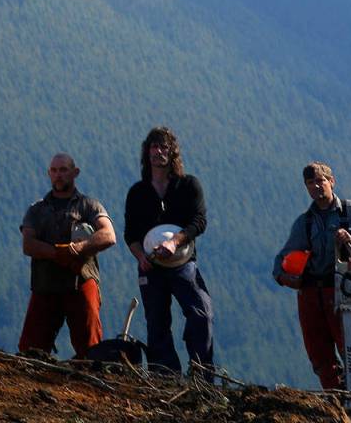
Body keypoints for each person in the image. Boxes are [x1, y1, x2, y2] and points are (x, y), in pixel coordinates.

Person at [273, 161, 351, 395]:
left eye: (320, 181)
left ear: (332, 182)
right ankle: (337, 404)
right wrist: (284, 277)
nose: (316, 187)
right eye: (311, 183)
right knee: (319, 354)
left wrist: (350, 239)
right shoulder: (305, 222)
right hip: (310, 293)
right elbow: (282, 258)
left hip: (342, 287)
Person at [124, 126, 214, 377]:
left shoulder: (188, 186)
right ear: (147, 153)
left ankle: (202, 377)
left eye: (164, 147)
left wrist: (175, 242)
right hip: (150, 266)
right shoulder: (138, 192)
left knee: (200, 315)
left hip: (183, 263)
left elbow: (199, 221)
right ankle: (165, 378)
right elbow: (130, 234)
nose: (158, 151)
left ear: (172, 153)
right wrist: (141, 256)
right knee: (157, 324)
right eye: (154, 147)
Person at [18, 153, 116, 359]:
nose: (58, 175)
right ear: (48, 174)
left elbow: (108, 235)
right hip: (45, 286)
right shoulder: (36, 210)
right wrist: (58, 253)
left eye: (63, 170)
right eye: (54, 171)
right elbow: (28, 244)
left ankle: (91, 387)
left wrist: (78, 249)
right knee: (30, 352)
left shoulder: (90, 206)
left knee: (91, 352)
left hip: (80, 283)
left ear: (75, 172)